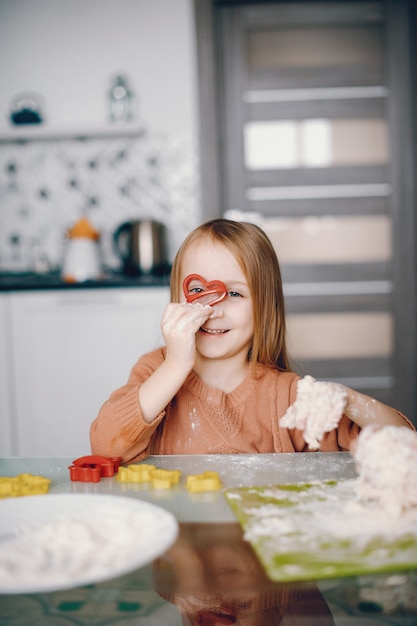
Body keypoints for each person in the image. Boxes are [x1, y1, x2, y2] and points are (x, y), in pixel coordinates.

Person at [90, 218, 413, 463]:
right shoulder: (155, 372)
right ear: (177, 298)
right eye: (198, 291)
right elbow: (105, 448)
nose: (212, 310)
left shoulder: (287, 397)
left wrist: (348, 400)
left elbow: (404, 445)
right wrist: (176, 364)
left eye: (233, 293)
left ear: (264, 306)